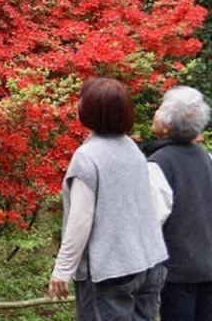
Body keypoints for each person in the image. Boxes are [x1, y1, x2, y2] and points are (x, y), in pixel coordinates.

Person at [48, 76, 168, 320]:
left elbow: (80, 221)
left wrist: (62, 270)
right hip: (150, 261)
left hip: (111, 272)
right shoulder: (132, 149)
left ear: (90, 110)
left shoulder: (87, 157)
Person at [142, 86, 212, 321]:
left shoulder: (158, 164)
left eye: (161, 109)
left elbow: (152, 221)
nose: (156, 112)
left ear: (167, 125)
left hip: (176, 273)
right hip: (207, 266)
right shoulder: (205, 157)